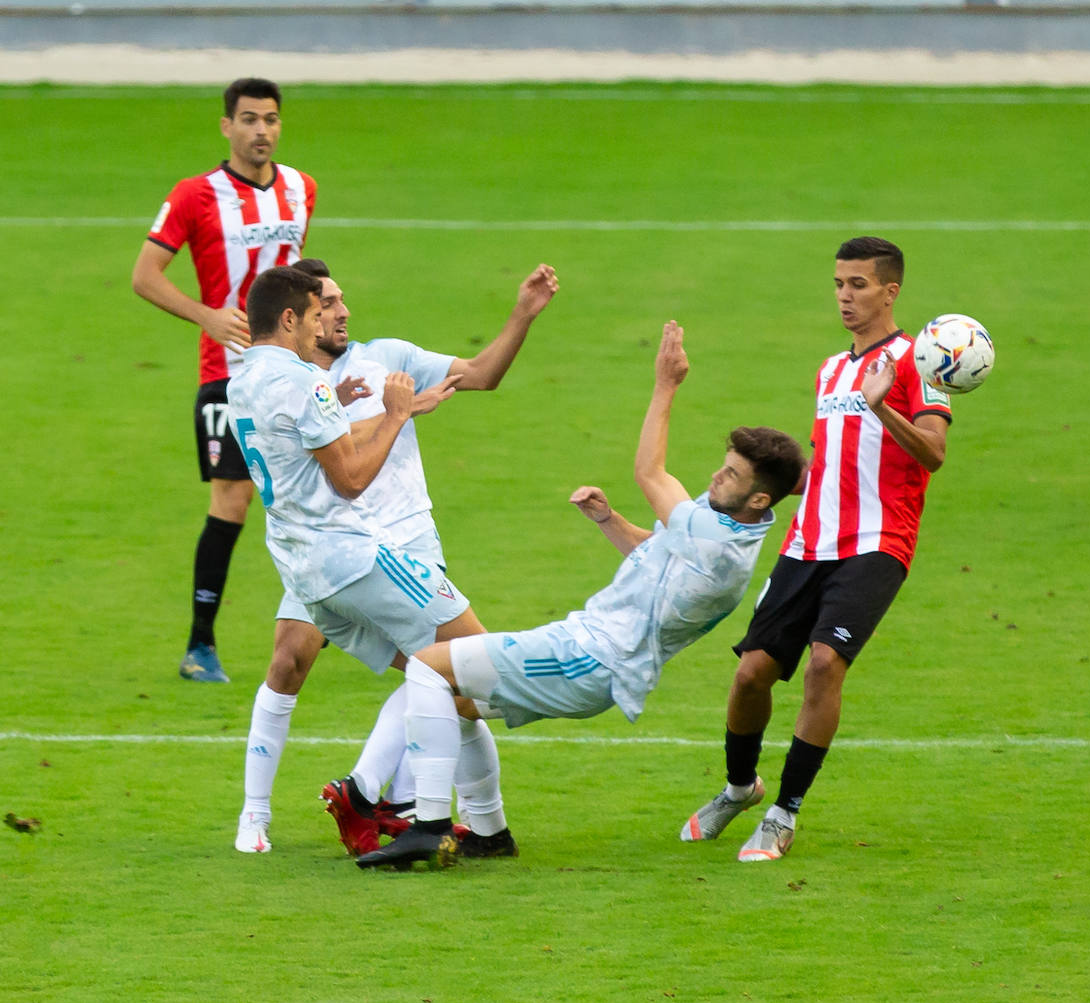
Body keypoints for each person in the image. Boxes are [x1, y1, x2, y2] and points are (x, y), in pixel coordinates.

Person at [354, 320, 806, 869]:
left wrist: (666, 384)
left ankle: (426, 825)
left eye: (731, 474)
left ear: (759, 499)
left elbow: (650, 471)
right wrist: (608, 519)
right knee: (455, 703)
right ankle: (490, 833)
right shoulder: (717, 529)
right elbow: (656, 553)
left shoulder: (716, 542)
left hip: (586, 658)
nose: (716, 475)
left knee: (425, 669)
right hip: (585, 655)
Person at [234, 258, 559, 855]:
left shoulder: (251, 379)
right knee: (470, 670)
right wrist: (397, 412)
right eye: (321, 307)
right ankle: (364, 794)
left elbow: (479, 375)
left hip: (330, 560)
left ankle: (477, 828)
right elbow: (349, 477)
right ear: (294, 318)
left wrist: (521, 315)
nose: (337, 313)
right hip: (358, 552)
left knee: (442, 684)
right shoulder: (305, 381)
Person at [680, 236, 953, 862]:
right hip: (808, 541)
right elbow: (828, 463)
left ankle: (784, 812)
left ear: (890, 291)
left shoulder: (923, 362)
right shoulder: (831, 370)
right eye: (838, 284)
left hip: (879, 542)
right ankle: (741, 788)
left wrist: (883, 407)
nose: (845, 297)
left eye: (858, 285)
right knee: (751, 673)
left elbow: (934, 454)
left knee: (825, 664)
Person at [132, 78, 317, 683]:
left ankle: (337, 625)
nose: (260, 130)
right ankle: (199, 646)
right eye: (248, 120)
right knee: (232, 503)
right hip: (229, 379)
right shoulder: (195, 196)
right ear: (226, 126)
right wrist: (208, 316)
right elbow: (145, 275)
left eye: (270, 119)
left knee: (318, 495)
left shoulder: (301, 189)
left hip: (294, 373)